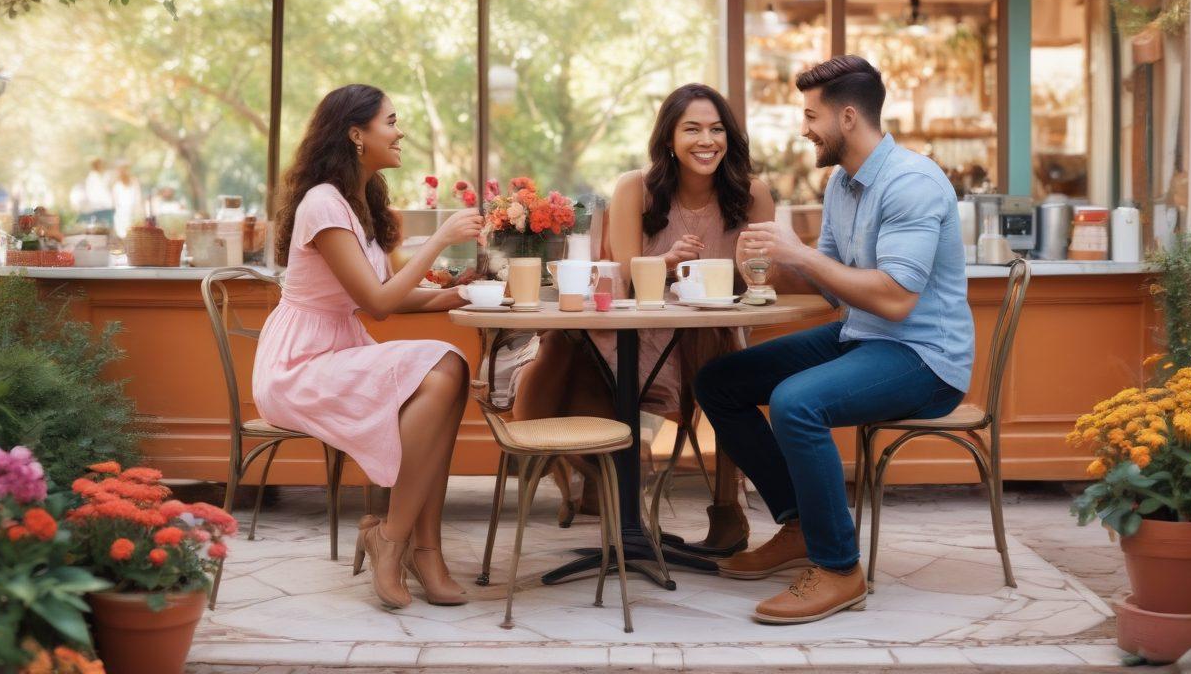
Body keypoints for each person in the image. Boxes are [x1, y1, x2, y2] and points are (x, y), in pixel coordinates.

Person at [694, 55, 974, 624]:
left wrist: (797, 253)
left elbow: (895, 298)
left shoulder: (912, 183)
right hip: (863, 336)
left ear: (848, 117)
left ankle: (839, 568)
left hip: (925, 358)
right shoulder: (843, 184)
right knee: (720, 381)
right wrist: (772, 260)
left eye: (810, 115)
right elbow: (832, 286)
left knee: (798, 402)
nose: (803, 128)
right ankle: (800, 525)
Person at [512, 83, 774, 550]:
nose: (706, 140)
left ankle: (726, 510)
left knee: (722, 352)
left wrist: (752, 267)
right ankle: (590, 475)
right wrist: (669, 261)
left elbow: (758, 281)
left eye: (716, 129)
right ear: (668, 139)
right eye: (691, 129)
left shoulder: (752, 194)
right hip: (638, 331)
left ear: (730, 138)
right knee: (562, 342)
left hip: (710, 330)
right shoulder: (636, 188)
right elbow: (628, 279)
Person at [253, 84, 484, 610]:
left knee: (450, 373)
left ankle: (427, 549)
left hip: (337, 350)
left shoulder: (360, 203)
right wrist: (440, 240)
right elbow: (377, 303)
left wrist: (455, 292)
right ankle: (396, 538)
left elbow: (387, 301)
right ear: (356, 134)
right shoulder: (323, 205)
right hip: (299, 365)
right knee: (445, 365)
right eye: (391, 121)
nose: (400, 132)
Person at [111, 163, 143, 237]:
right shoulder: (116, 185)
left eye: (124, 170)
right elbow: (115, 203)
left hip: (133, 213)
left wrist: (138, 211)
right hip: (121, 214)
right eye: (120, 171)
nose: (123, 172)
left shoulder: (134, 182)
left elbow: (138, 198)